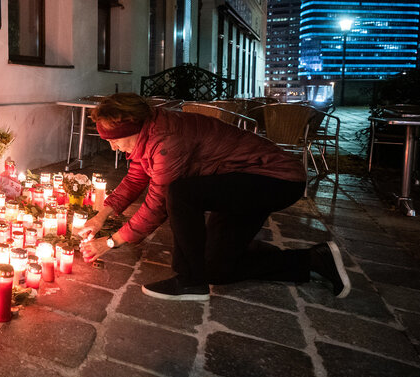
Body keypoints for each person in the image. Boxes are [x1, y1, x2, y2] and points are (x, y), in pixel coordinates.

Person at [77, 93, 349, 301]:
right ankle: (314, 259)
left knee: (180, 194)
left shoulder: (166, 139)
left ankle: (191, 281)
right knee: (219, 269)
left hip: (274, 179)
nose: (111, 145)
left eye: (114, 139)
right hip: (234, 180)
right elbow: (136, 178)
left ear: (133, 127)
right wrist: (100, 217)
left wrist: (111, 243)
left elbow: (157, 203)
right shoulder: (148, 135)